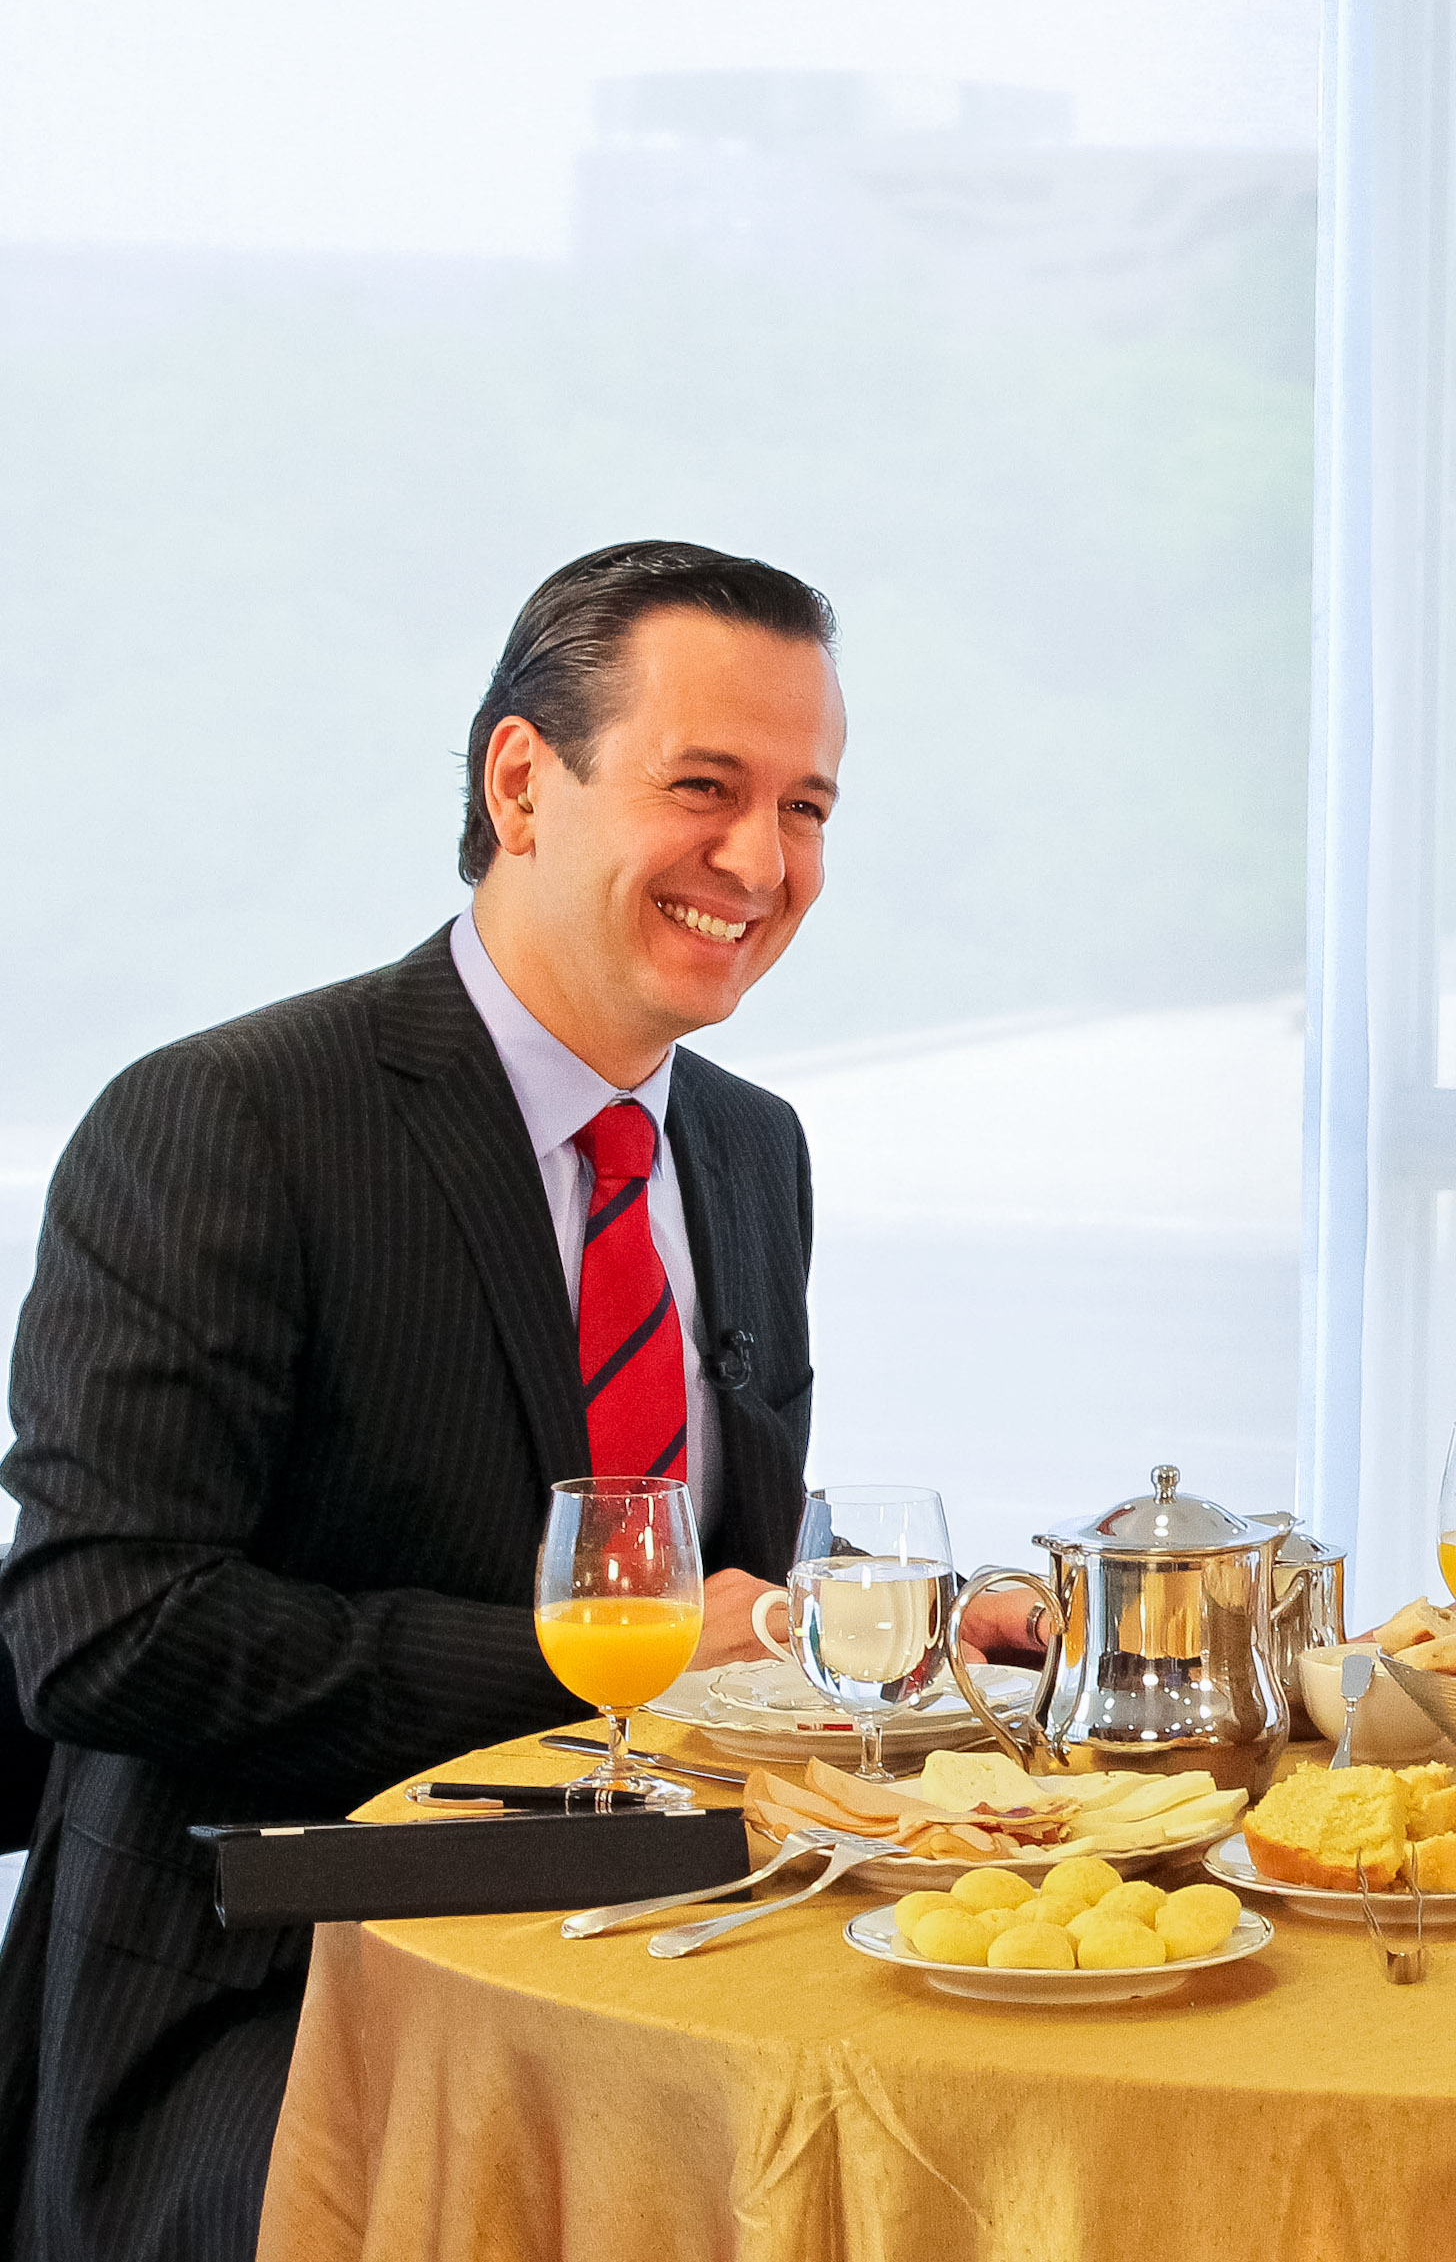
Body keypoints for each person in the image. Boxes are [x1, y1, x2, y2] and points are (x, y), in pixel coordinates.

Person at [0, 542, 848, 2260]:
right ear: (523, 781)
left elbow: (710, 1582)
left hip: (667, 1960)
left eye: (807, 805)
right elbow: (101, 1631)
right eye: (706, 788)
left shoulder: (751, 1152)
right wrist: (613, 1640)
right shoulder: (226, 1121)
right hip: (280, 1989)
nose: (762, 863)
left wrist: (878, 1627)